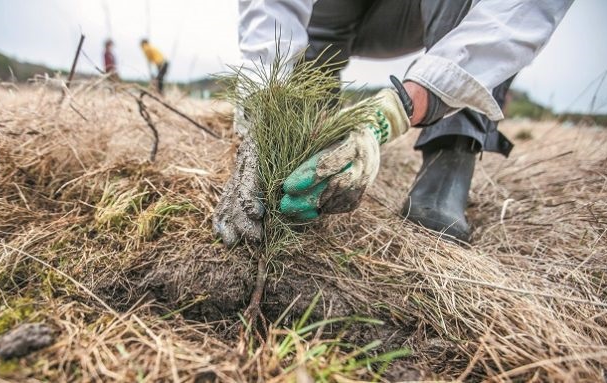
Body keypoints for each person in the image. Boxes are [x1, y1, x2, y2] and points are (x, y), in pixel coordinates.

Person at [213, 0, 574, 247]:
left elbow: (513, 16)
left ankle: (450, 151)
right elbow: (271, 11)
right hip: (345, 12)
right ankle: (305, 138)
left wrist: (393, 113)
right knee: (307, 35)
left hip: (428, 13)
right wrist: (263, 114)